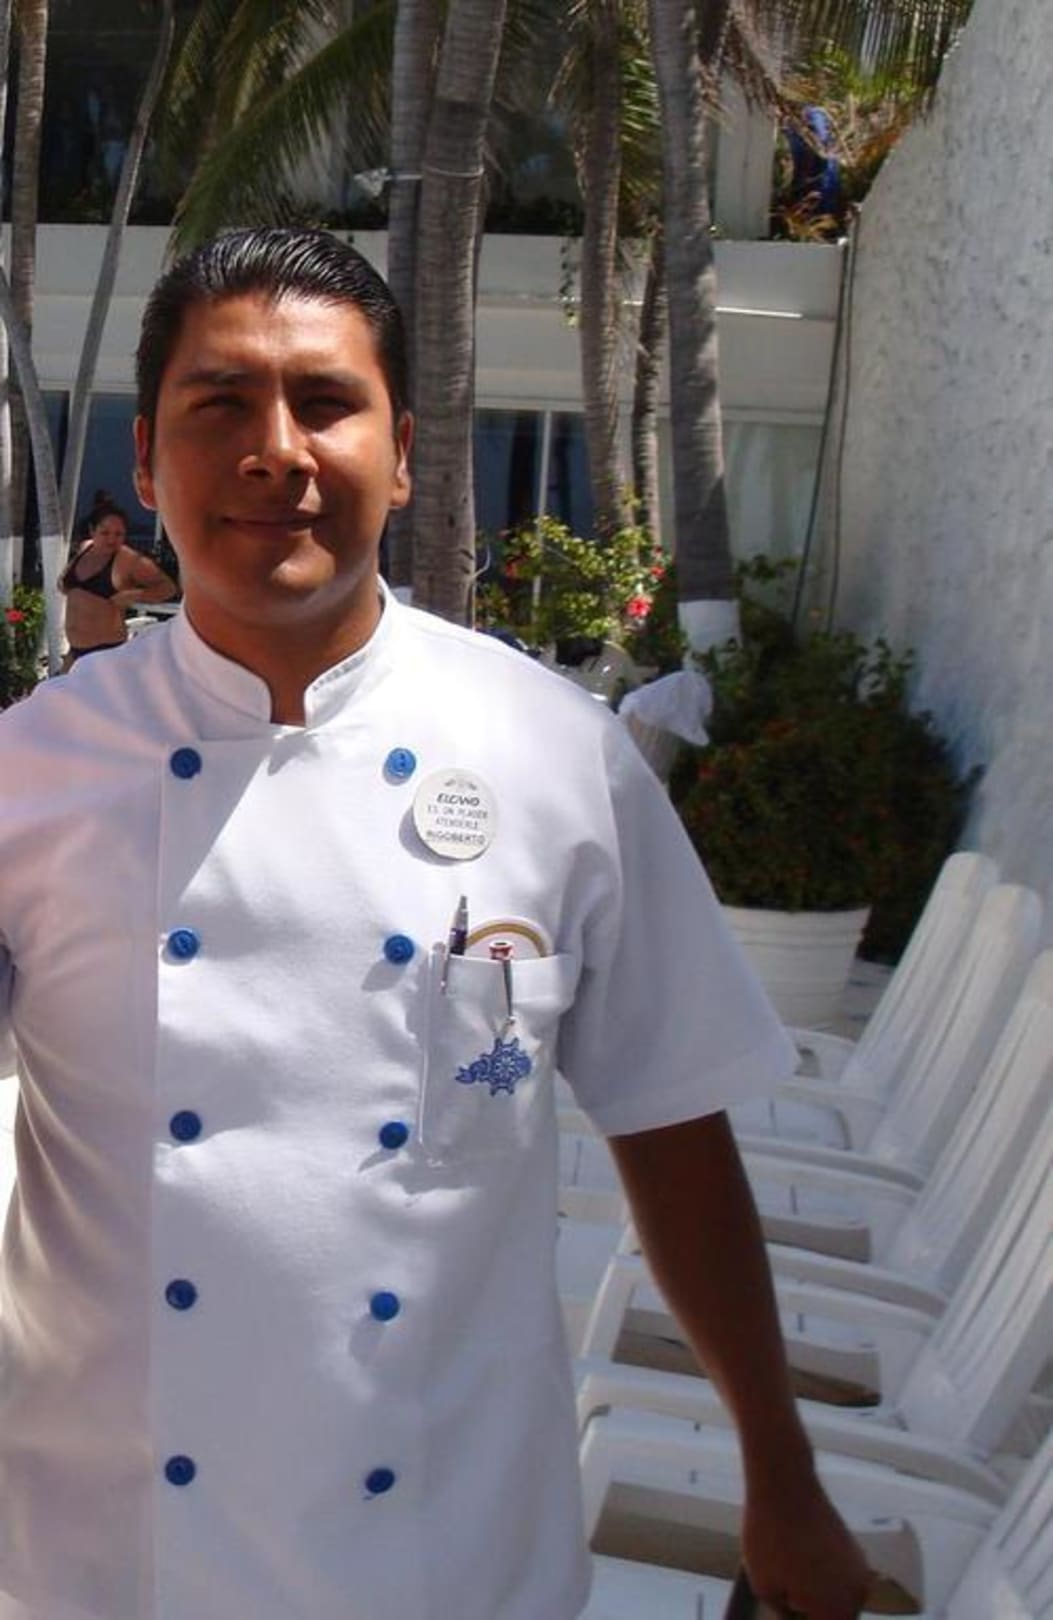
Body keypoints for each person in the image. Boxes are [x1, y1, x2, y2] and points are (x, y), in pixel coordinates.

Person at [0, 227, 869, 1620]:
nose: (275, 452)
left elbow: (672, 1126)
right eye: (219, 406)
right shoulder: (30, 774)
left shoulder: (557, 752)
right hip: (106, 1561)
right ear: (148, 464)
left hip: (449, 1553)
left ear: (401, 454)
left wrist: (781, 1467)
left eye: (324, 403)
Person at [59, 491, 178, 668]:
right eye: (105, 533)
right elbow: (65, 585)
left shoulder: (128, 560)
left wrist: (136, 594)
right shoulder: (85, 548)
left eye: (119, 534)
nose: (112, 539)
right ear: (92, 531)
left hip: (106, 654)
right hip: (74, 653)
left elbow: (168, 588)